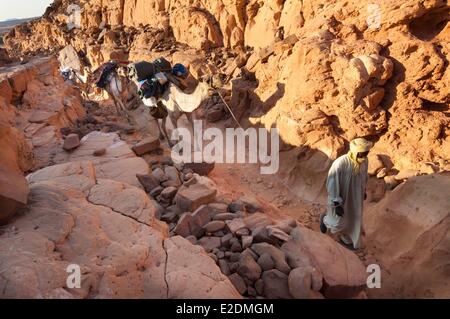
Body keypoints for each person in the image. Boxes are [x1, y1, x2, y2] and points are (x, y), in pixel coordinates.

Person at [319, 137, 373, 250]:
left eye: (366, 153)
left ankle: (347, 239)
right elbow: (332, 183)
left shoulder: (365, 161)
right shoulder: (341, 163)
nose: (364, 156)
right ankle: (325, 220)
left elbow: (364, 177)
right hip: (341, 197)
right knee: (338, 223)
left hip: (356, 196)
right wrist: (336, 203)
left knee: (354, 218)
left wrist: (363, 191)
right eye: (362, 154)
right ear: (355, 152)